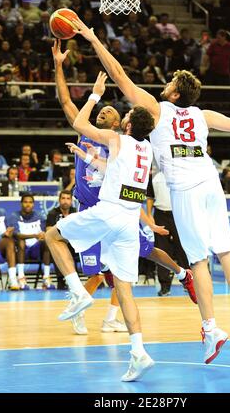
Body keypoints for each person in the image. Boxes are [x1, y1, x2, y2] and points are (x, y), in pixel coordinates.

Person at [72, 16, 230, 364]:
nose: (167, 82)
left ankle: (211, 328)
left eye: (171, 81)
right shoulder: (203, 115)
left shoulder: (157, 110)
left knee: (200, 261)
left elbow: (118, 75)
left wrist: (92, 39)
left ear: (174, 93)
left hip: (186, 189)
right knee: (227, 252)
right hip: (211, 182)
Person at [51, 40, 196, 336]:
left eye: (107, 113)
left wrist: (148, 221)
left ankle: (178, 277)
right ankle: (97, 312)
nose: (101, 114)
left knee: (144, 255)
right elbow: (67, 103)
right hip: (96, 208)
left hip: (113, 211)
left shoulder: (119, 142)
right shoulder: (101, 141)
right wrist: (58, 65)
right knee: (103, 271)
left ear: (120, 123)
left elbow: (132, 189)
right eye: (100, 112)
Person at [46, 72, 156, 382]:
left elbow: (80, 124)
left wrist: (94, 95)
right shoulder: (145, 150)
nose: (124, 116)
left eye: (128, 115)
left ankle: (78, 293)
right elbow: (113, 170)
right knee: (124, 290)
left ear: (129, 125)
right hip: (128, 221)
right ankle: (139, 352)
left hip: (109, 212)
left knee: (52, 235)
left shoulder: (117, 138)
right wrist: (87, 158)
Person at [8, 193, 54, 290]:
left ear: (33, 204)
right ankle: (21, 277)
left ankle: (46, 277)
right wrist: (35, 235)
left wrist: (42, 236)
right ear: (21, 204)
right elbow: (17, 235)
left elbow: (43, 233)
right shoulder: (14, 216)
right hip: (21, 250)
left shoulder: (39, 216)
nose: (28, 204)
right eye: (25, 202)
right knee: (21, 241)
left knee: (47, 241)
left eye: (30, 202)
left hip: (36, 248)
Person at [46, 190, 77, 291]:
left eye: (68, 199)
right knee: (58, 246)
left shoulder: (75, 212)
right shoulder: (53, 213)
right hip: (60, 241)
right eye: (63, 198)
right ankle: (61, 279)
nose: (65, 201)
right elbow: (48, 231)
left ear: (71, 201)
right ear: (59, 200)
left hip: (73, 242)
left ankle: (94, 275)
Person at [0, 188, 19, 290]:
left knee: (9, 241)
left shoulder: (2, 213)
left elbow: (7, 232)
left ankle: (13, 280)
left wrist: (8, 233)